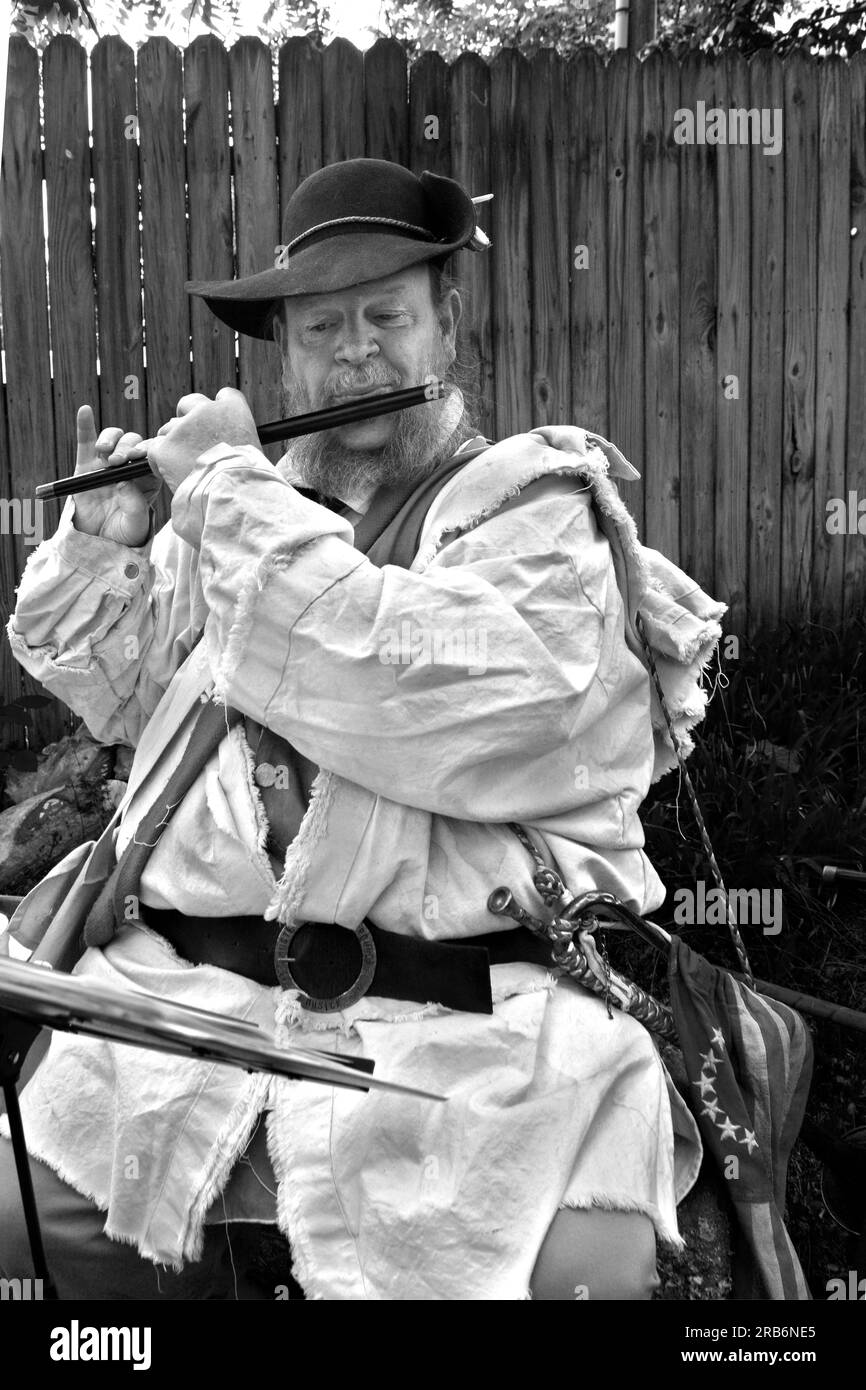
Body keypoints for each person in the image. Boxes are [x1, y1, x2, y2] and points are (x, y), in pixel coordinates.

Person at [0, 158, 720, 1301]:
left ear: (445, 328)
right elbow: (134, 701)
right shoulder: (250, 517)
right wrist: (106, 542)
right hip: (186, 1015)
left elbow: (418, 694)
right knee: (20, 1238)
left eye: (386, 315)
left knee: (552, 1277)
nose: (353, 352)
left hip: (474, 1048)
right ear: (284, 352)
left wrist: (229, 494)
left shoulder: (533, 507)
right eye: (321, 324)